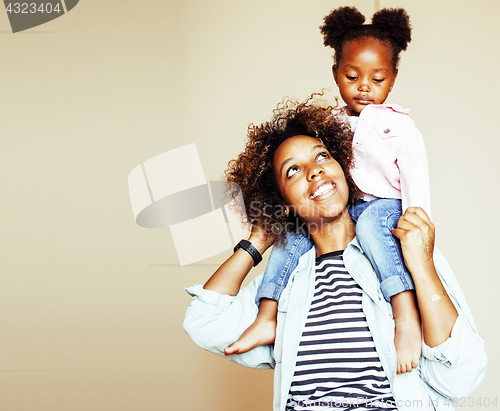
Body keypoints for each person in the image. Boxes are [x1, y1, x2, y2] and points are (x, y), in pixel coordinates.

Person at [183, 96, 486, 410]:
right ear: (283, 201)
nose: (314, 172)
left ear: (343, 168)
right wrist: (257, 242)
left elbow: (461, 377)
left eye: (322, 157)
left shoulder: (403, 255)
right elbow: (204, 322)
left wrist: (422, 267)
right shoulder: (284, 284)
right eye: (293, 171)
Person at [225, 7, 427, 375]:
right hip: (344, 208)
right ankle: (267, 314)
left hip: (384, 207)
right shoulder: (327, 124)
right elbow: (310, 172)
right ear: (336, 73)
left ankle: (406, 314)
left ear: (393, 79)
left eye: (377, 78)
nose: (364, 86)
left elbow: (415, 176)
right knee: (293, 236)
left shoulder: (400, 126)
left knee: (368, 230)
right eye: (352, 76)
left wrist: (418, 224)